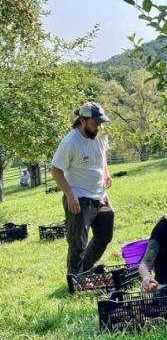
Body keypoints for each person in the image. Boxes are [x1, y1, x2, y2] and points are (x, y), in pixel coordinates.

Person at [50, 102, 114, 275]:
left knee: (105, 236)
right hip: (79, 197)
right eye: (95, 123)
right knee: (78, 244)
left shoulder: (100, 135)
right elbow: (55, 170)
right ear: (83, 120)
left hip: (100, 195)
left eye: (100, 123)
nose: (99, 126)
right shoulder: (70, 142)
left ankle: (84, 271)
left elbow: (102, 153)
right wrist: (70, 195)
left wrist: (106, 173)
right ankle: (74, 280)